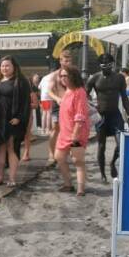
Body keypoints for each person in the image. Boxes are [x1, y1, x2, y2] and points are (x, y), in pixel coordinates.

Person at [0, 56, 31, 187]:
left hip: (12, 120)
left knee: (11, 148)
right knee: (0, 148)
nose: (5, 68)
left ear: (14, 67)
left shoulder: (21, 82)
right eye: (3, 66)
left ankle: (12, 178)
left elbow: (25, 103)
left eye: (7, 66)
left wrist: (19, 117)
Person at [86, 54, 129, 183]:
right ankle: (102, 174)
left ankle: (112, 163)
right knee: (101, 146)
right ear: (99, 66)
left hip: (115, 115)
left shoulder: (119, 78)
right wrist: (92, 106)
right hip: (101, 116)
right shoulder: (94, 78)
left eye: (109, 65)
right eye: (103, 65)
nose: (106, 68)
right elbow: (84, 96)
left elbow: (124, 97)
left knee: (121, 144)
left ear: (113, 65)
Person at [54, 65, 91, 197]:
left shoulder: (79, 91)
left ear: (73, 76)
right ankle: (68, 184)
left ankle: (80, 189)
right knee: (59, 157)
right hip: (64, 132)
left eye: (65, 75)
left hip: (77, 132)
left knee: (78, 161)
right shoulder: (67, 91)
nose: (62, 78)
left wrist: (75, 134)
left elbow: (80, 115)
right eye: (61, 76)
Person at [45, 51, 74, 165]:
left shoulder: (74, 74)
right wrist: (57, 98)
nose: (67, 62)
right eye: (65, 60)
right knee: (56, 128)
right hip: (58, 104)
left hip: (71, 104)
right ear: (60, 61)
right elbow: (49, 91)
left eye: (69, 60)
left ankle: (70, 151)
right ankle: (51, 153)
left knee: (72, 129)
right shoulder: (55, 75)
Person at [23, 73, 41, 161]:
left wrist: (27, 105)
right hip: (14, 117)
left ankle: (26, 153)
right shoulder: (14, 92)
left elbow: (36, 105)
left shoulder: (31, 93)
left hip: (27, 116)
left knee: (26, 135)